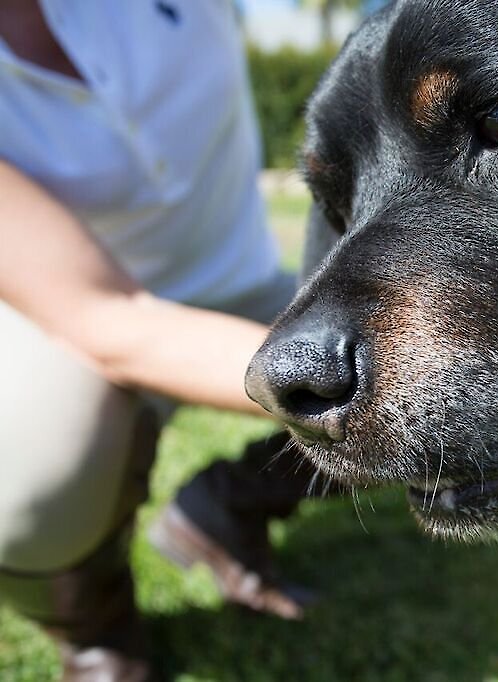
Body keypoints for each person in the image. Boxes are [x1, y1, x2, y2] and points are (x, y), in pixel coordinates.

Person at [0, 2, 327, 679]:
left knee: (431, 353)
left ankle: (232, 502)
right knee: (28, 482)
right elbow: (107, 317)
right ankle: (94, 625)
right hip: (67, 330)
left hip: (252, 285)